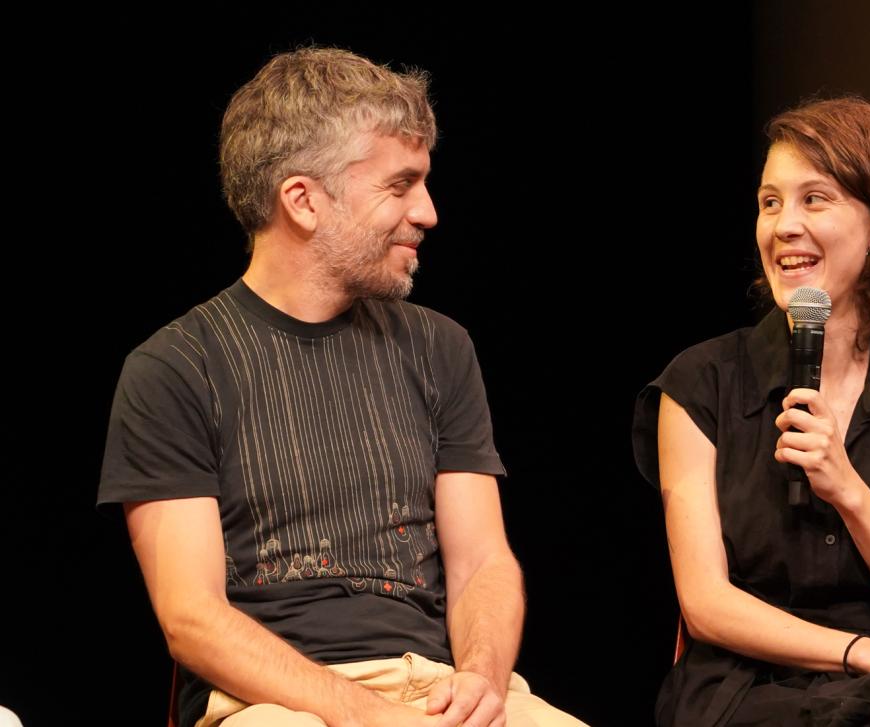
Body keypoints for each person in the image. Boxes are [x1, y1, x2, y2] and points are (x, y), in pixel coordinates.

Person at [100, 47, 585, 727]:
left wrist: (481, 680)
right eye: (400, 185)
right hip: (270, 703)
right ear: (303, 200)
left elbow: (482, 561)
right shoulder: (177, 368)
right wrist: (364, 713)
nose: (428, 212)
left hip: (439, 686)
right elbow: (192, 617)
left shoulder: (439, 346)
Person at [632, 97, 870, 726]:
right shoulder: (702, 383)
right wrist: (864, 653)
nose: (784, 226)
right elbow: (706, 604)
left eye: (814, 199)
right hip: (743, 692)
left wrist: (848, 489)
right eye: (770, 202)